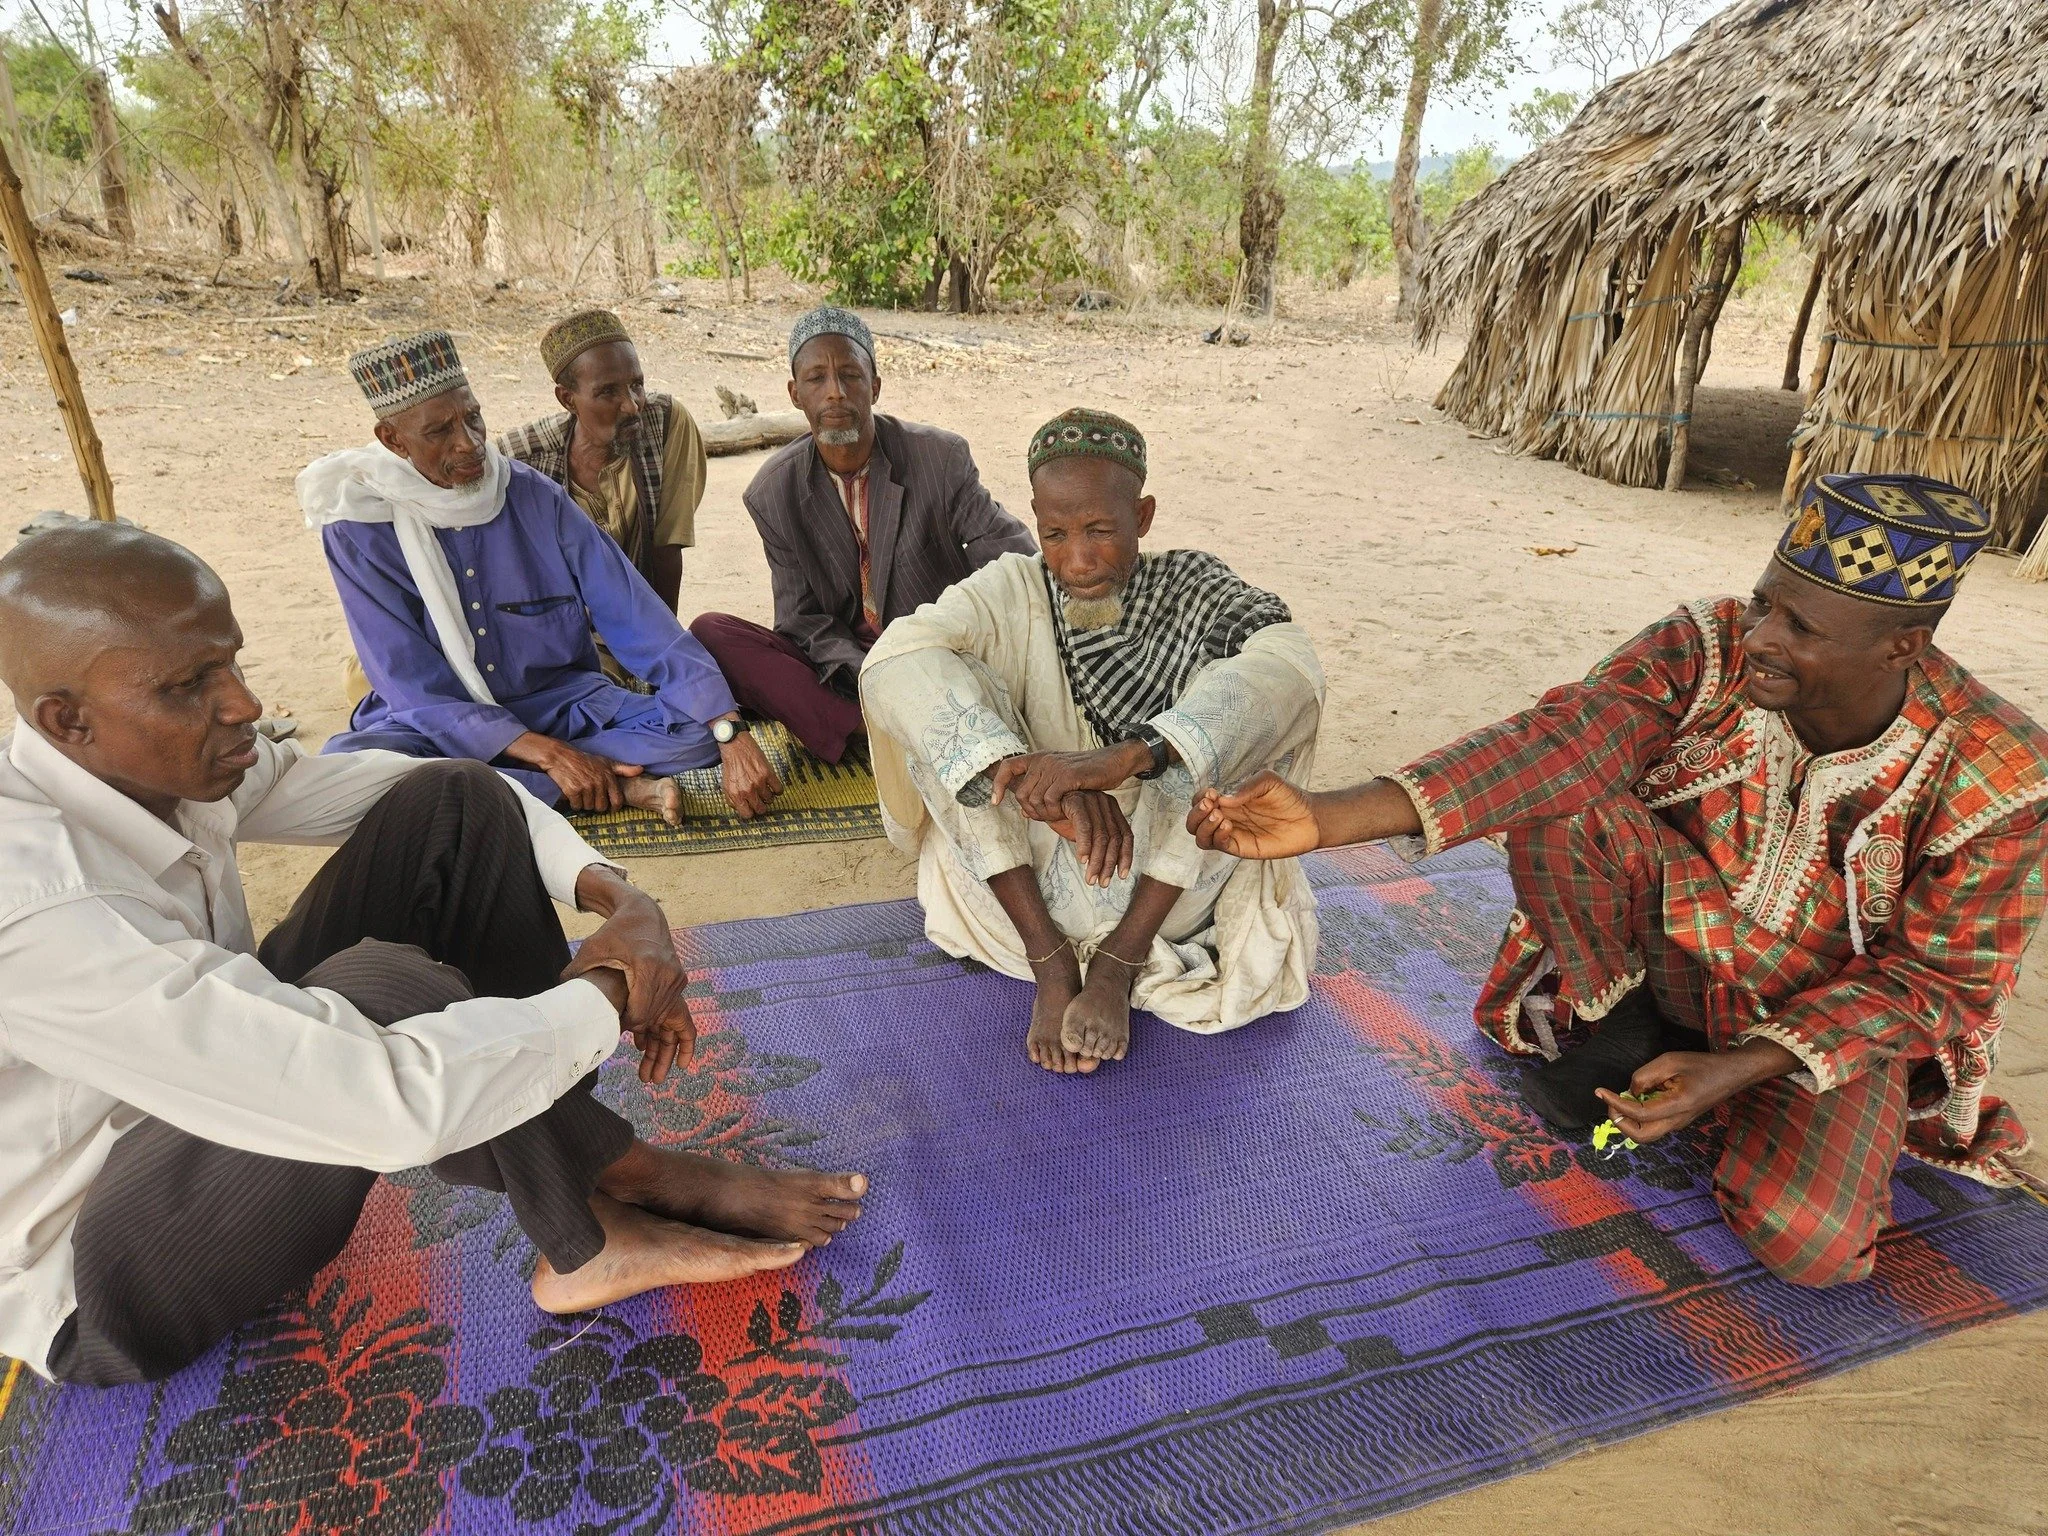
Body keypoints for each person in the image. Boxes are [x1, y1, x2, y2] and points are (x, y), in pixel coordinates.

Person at [0, 522, 867, 1385]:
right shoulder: (39, 911)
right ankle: (602, 1210)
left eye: (230, 663)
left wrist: (620, 901)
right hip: (104, 1271)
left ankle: (593, 1178)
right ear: (66, 720)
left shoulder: (152, 762)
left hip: (222, 1087)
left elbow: (460, 790)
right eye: (190, 685)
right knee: (381, 989)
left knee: (453, 805)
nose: (244, 705)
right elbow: (387, 1103)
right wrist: (617, 984)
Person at [1192, 473, 2048, 1287]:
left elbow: (1940, 983)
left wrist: (1743, 1068)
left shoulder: (2002, 776)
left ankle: (1740, 1082)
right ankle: (1627, 1020)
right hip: (1674, 944)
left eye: (1800, 626)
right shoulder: (1704, 647)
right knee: (1561, 802)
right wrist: (1329, 818)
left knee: (1814, 1245)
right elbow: (1565, 744)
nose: (1758, 636)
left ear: (1903, 646)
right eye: (1763, 603)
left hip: (1818, 1010)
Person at [859, 408, 1324, 1075]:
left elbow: (1291, 665)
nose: (1077, 561)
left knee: (1244, 703)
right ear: (1035, 522)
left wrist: (1133, 755)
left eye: (1100, 531)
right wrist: (1035, 780)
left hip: (1169, 886)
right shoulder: (1012, 587)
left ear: (1143, 515)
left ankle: (1118, 961)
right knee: (931, 692)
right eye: (1055, 534)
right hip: (1020, 879)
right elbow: (894, 659)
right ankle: (1050, 962)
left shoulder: (1192, 586)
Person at [306, 330, 782, 825]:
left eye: (473, 418)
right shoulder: (358, 528)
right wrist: (551, 755)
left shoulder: (534, 497)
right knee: (348, 773)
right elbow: (410, 684)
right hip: (439, 722)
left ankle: (531, 782)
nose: (469, 443)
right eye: (440, 431)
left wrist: (728, 730)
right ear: (392, 439)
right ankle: (607, 782)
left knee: (696, 733)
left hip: (562, 705)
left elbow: (638, 617)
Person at [689, 306, 1036, 765]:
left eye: (850, 375)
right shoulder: (773, 492)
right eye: (816, 378)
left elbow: (1013, 560)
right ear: (795, 394)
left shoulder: (939, 457)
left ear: (874, 386)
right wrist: (867, 672)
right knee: (710, 633)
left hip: (938, 654)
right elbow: (801, 618)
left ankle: (883, 726)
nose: (835, 391)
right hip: (847, 669)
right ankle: (873, 727)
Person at [498, 307, 707, 617]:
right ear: (567, 399)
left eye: (637, 385)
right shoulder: (520, 460)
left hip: (643, 623)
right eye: (608, 392)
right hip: (564, 627)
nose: (632, 406)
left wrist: (666, 640)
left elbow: (666, 547)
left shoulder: (665, 423)